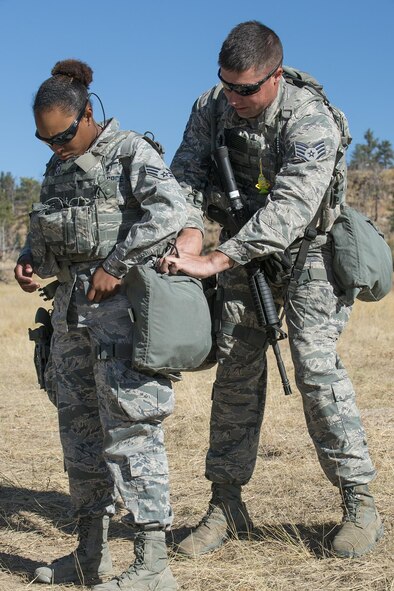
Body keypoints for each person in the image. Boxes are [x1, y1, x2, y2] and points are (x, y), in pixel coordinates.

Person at [161, 21, 383, 559]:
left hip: (307, 250)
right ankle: (226, 505)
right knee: (235, 371)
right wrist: (190, 231)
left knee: (315, 367)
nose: (233, 98)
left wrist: (215, 257)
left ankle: (360, 503)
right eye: (226, 84)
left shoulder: (311, 118)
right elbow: (185, 174)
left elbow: (291, 209)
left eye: (246, 89)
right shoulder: (212, 105)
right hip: (238, 246)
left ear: (274, 76)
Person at [14, 58, 188, 590]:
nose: (55, 147)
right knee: (81, 437)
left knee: (133, 434)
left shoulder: (131, 151)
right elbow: (50, 228)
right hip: (70, 321)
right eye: (45, 141)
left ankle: (153, 564)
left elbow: (172, 212)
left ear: (88, 114)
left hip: (124, 322)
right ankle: (91, 555)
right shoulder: (57, 168)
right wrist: (29, 261)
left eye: (63, 136)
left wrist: (117, 264)